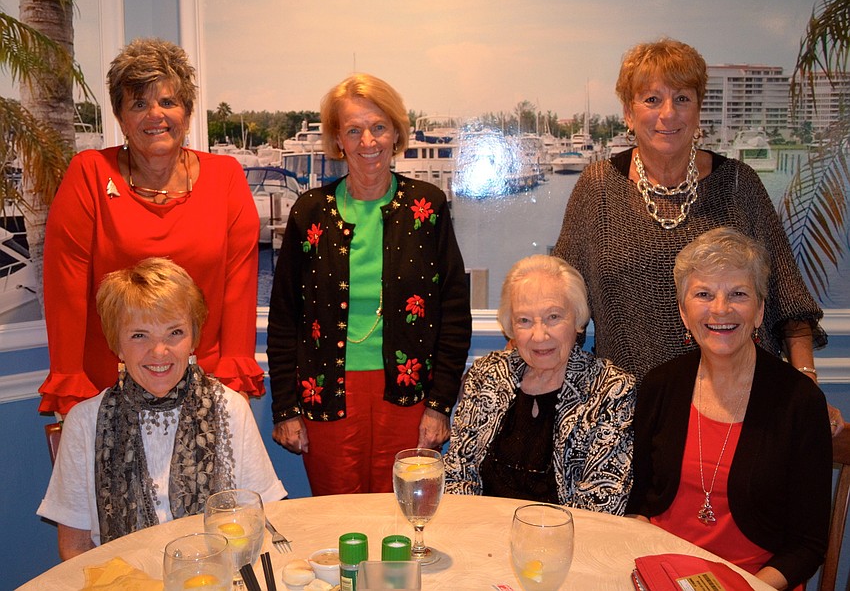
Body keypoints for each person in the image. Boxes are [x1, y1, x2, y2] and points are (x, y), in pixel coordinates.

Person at [550, 37, 843, 433]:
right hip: (628, 412)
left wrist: (806, 382)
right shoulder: (598, 188)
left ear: (698, 108)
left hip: (738, 405)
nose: (667, 114)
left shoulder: (739, 185)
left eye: (682, 98)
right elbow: (562, 299)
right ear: (628, 112)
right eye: (651, 99)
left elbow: (788, 299)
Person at [267, 73, 472, 495]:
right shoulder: (310, 212)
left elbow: (453, 313)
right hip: (326, 395)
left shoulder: (427, 207)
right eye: (354, 130)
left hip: (409, 394)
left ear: (395, 132)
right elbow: (285, 316)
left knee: (400, 521)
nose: (368, 142)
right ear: (338, 139)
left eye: (379, 127)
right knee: (338, 522)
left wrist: (439, 404)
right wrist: (285, 407)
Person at [39, 37, 263, 416]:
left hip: (206, 388)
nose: (154, 114)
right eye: (139, 103)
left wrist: (233, 380)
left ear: (187, 114)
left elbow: (239, 287)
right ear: (122, 119)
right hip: (107, 389)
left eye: (168, 101)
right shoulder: (90, 173)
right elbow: (66, 288)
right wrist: (69, 382)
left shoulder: (225, 177)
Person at [37, 258, 286, 560]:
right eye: (139, 335)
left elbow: (261, 519)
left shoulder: (231, 409)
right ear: (117, 343)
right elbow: (75, 547)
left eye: (175, 333)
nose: (159, 351)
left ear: (193, 338)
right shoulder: (84, 422)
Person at [626, 228, 831, 590]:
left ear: (759, 310)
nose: (721, 309)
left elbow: (808, 546)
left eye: (738, 294)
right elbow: (639, 501)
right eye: (704, 294)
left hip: (757, 583)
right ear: (684, 312)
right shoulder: (660, 385)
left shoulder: (799, 402)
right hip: (661, 576)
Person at [444, 255, 635, 514]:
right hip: (483, 536)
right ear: (511, 326)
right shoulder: (487, 374)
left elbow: (602, 504)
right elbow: (458, 472)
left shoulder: (610, 389)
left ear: (578, 319)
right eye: (524, 320)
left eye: (553, 317)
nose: (539, 335)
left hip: (566, 543)